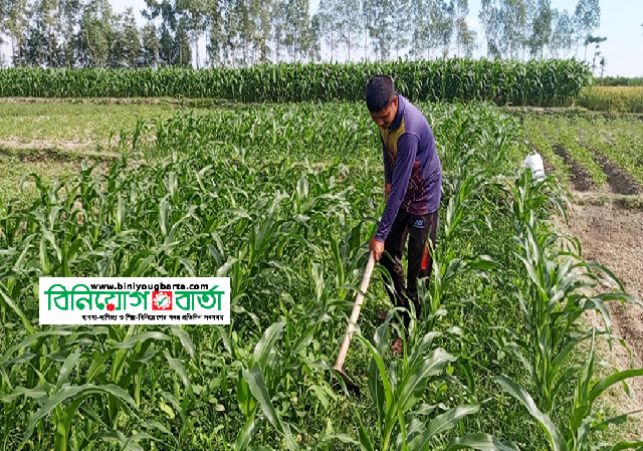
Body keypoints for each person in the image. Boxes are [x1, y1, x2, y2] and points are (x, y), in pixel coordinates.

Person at [366, 75, 442, 354]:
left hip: (422, 204)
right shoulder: (384, 122)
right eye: (375, 119)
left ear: (395, 103)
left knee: (418, 270)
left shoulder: (409, 131)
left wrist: (380, 234)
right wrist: (387, 179)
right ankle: (401, 309)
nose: (380, 124)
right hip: (404, 196)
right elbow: (389, 156)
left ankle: (411, 331)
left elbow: (398, 192)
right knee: (387, 257)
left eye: (384, 118)